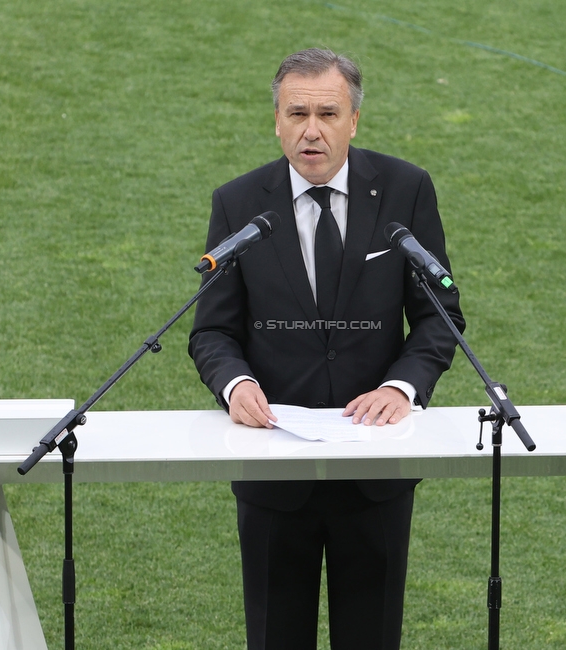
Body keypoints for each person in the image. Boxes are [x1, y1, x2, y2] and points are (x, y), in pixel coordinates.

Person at [189, 48, 465, 650]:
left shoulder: (406, 190)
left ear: (354, 121)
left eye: (328, 113)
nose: (311, 130)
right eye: (297, 113)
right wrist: (235, 385)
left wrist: (402, 387)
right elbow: (211, 330)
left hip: (376, 474)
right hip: (271, 469)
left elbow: (441, 317)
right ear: (277, 121)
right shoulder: (237, 204)